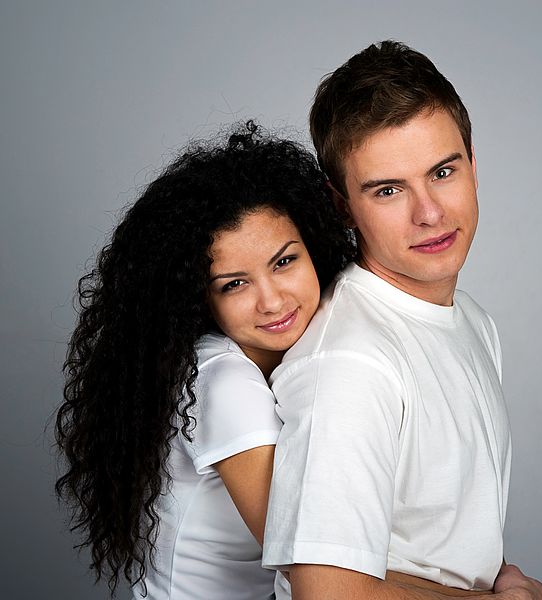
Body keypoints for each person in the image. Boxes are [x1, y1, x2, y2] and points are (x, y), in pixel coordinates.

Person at [262, 41, 542, 600]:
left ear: (473, 163)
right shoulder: (349, 361)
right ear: (343, 205)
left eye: (442, 171)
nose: (430, 213)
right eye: (389, 189)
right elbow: (327, 593)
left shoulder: (470, 320)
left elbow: (434, 538)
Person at [55, 122, 354, 599]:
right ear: (199, 298)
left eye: (284, 262)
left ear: (314, 248)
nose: (272, 301)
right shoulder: (224, 382)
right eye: (234, 284)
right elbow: (315, 573)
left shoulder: (296, 350)